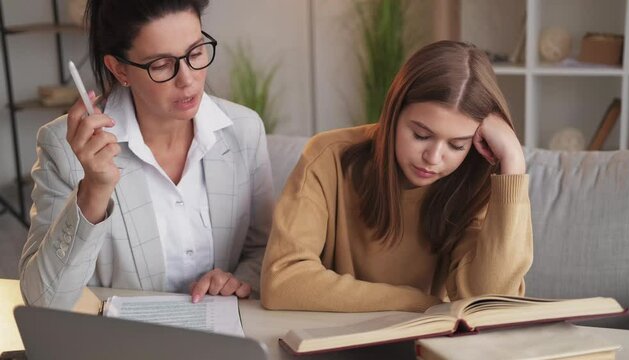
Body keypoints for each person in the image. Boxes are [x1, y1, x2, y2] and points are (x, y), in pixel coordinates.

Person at [20, 0, 274, 309]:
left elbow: (264, 250)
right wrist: (94, 191)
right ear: (119, 69)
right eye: (162, 65)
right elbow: (44, 302)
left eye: (195, 53)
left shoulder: (244, 130)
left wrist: (235, 282)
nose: (187, 79)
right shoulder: (64, 148)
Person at [261, 41, 533, 312]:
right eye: (421, 135)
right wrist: (423, 304)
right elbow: (282, 282)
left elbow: (491, 301)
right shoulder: (327, 158)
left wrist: (513, 164)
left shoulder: (475, 179)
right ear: (394, 113)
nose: (434, 157)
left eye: (457, 145)